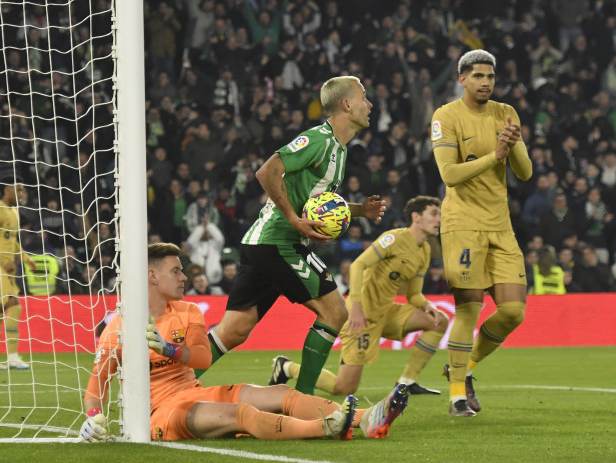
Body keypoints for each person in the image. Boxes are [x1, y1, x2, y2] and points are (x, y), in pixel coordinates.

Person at [79, 243, 409, 442]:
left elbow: (203, 358)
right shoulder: (119, 327)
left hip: (194, 392)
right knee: (243, 414)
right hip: (161, 413)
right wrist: (93, 417)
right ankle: (326, 428)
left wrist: (168, 349)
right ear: (152, 277)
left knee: (281, 393)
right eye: (176, 271)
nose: (184, 278)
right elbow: (96, 387)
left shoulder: (189, 310)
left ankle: (366, 418)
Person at [199, 76, 385, 395]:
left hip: (264, 243)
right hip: (279, 242)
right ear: (346, 104)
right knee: (335, 312)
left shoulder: (339, 149)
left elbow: (318, 203)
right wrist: (294, 220)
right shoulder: (319, 140)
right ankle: (305, 398)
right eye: (364, 98)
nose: (370, 105)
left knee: (233, 331)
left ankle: (162, 386)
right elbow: (267, 171)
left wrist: (358, 210)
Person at [431, 50, 532, 416]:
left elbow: (524, 172)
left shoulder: (506, 113)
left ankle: (464, 368)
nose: (485, 82)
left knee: (513, 312)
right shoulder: (446, 116)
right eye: (477, 76)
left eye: (489, 76)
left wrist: (513, 145)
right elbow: (449, 175)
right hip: (463, 224)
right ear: (462, 79)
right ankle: (457, 396)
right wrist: (495, 155)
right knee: (469, 309)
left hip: (500, 225)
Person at [269, 196, 449, 396]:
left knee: (439, 320)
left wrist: (426, 305)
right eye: (434, 213)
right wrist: (355, 308)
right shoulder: (395, 239)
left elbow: (414, 294)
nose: (439, 219)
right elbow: (358, 265)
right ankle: (286, 367)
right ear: (416, 217)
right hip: (361, 317)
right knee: (344, 388)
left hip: (387, 313)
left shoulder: (424, 250)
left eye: (440, 214)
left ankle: (405, 383)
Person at [0, 177, 36, 370]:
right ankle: (13, 357)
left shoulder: (14, 212)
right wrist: (3, 261)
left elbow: (12, 241)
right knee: (14, 306)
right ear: (7, 191)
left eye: (22, 190)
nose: (22, 194)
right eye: (19, 190)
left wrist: (26, 259)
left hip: (6, 267)